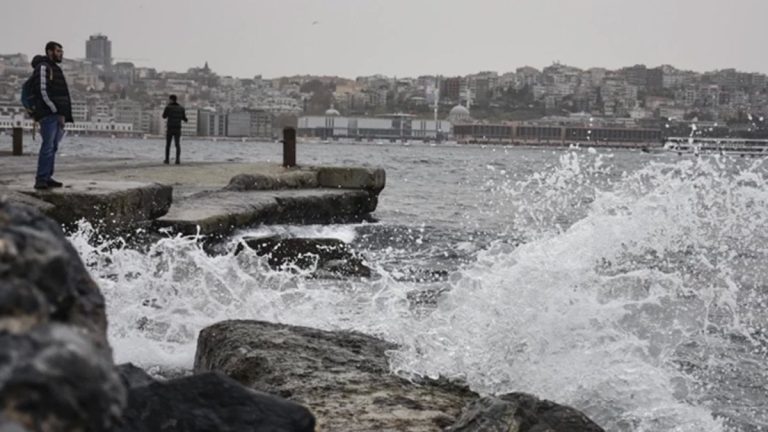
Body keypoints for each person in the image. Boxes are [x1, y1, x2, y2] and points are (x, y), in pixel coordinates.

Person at [32, 41, 73, 189]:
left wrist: (63, 114)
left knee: (53, 147)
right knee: (48, 146)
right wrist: (54, 110)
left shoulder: (56, 69)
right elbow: (42, 91)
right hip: (49, 115)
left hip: (58, 115)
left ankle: (48, 176)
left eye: (61, 51)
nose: (61, 54)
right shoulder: (43, 67)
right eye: (58, 51)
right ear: (49, 51)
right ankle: (41, 178)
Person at [162, 95, 188, 164]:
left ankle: (167, 160)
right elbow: (184, 118)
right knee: (177, 144)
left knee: (168, 144)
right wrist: (185, 119)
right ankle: (177, 160)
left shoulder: (168, 107)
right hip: (178, 128)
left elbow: (164, 116)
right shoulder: (181, 108)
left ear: (171, 100)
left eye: (169, 100)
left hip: (170, 128)